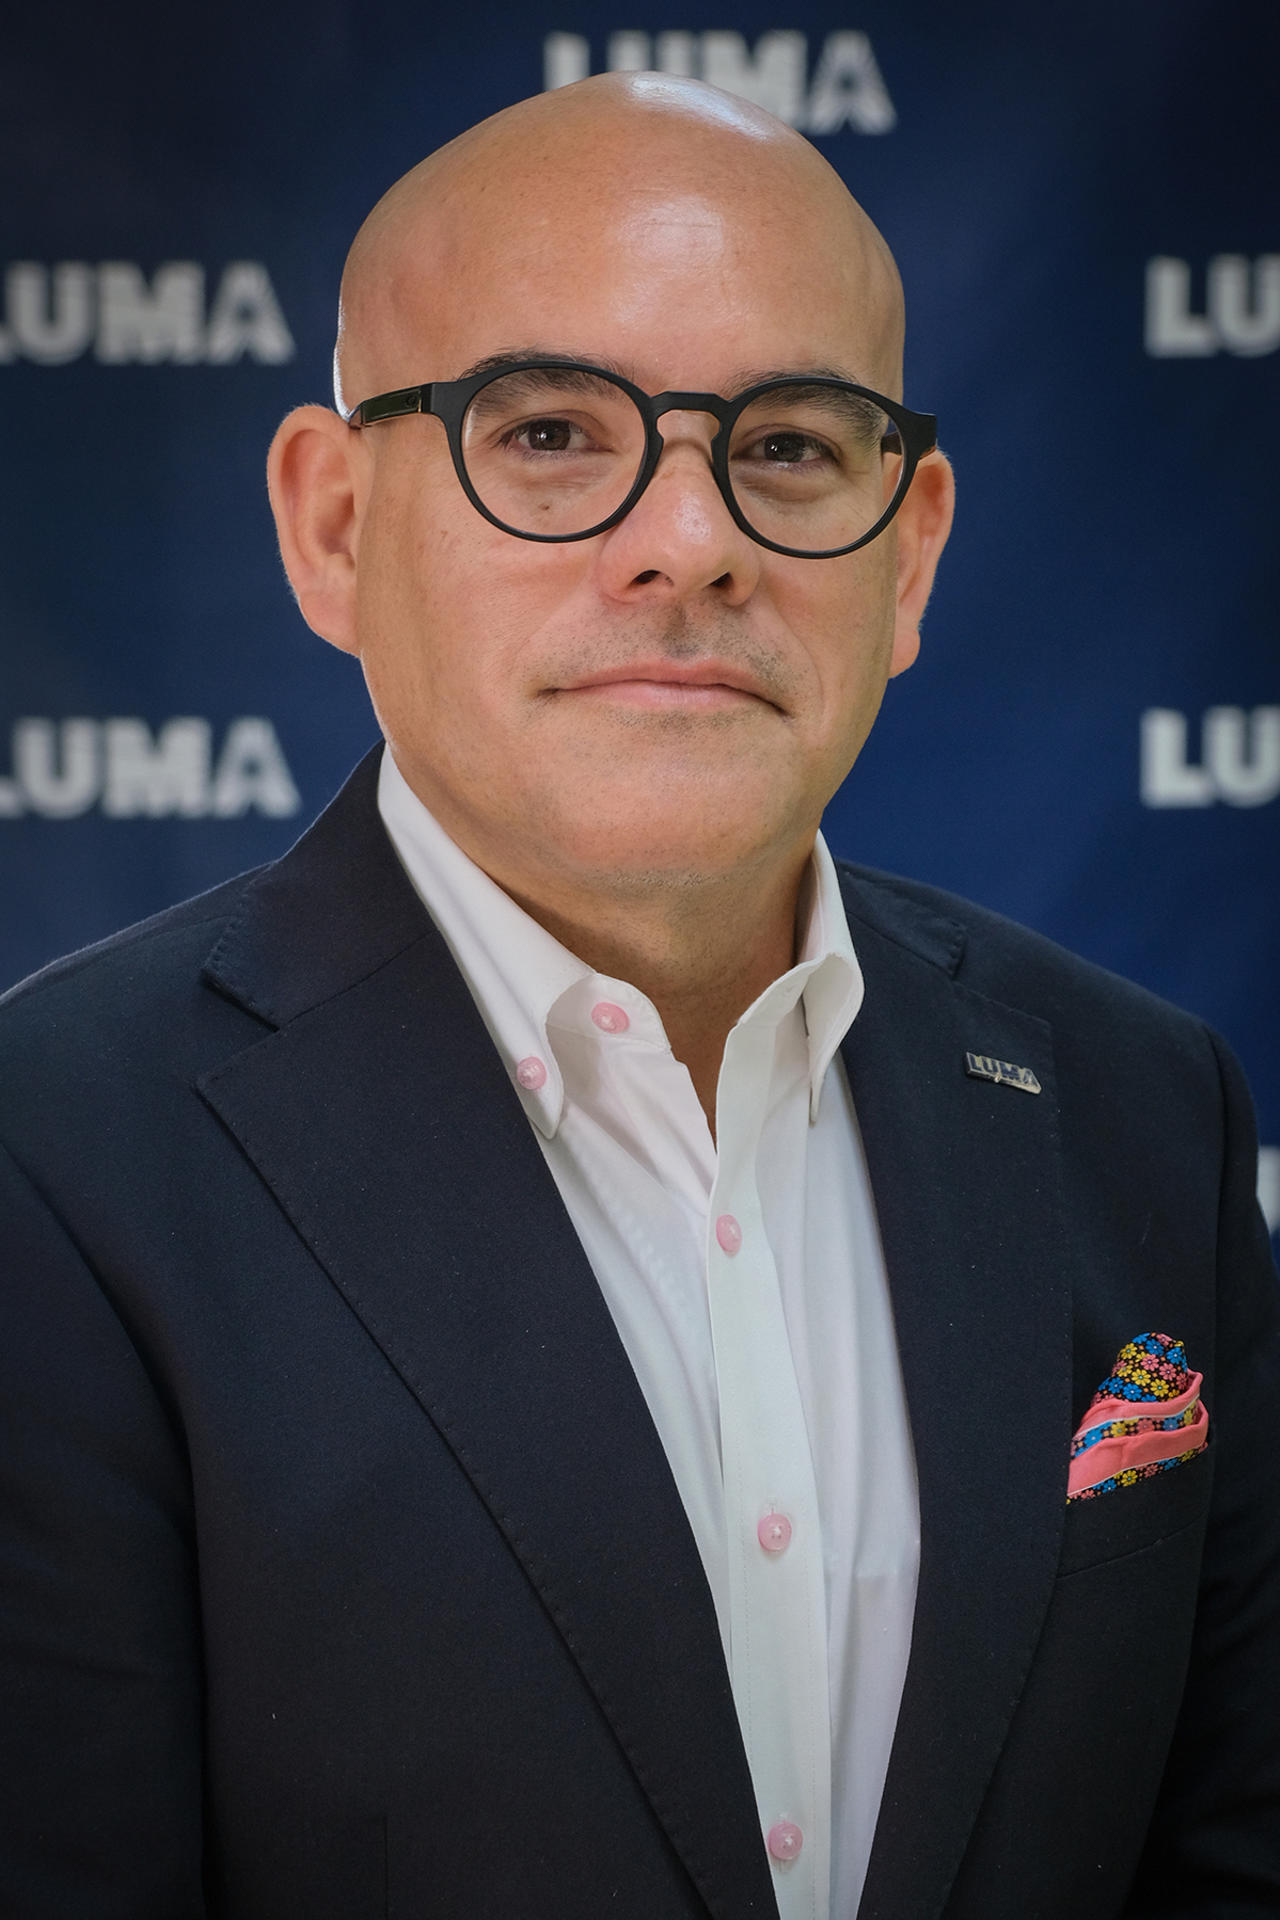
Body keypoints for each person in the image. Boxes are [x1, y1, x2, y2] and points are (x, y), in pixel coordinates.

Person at [1, 71, 1277, 1920]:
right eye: (546, 434)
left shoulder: (1145, 1109)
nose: (691, 539)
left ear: (908, 558)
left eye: (785, 447)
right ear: (335, 528)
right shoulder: (49, 1162)